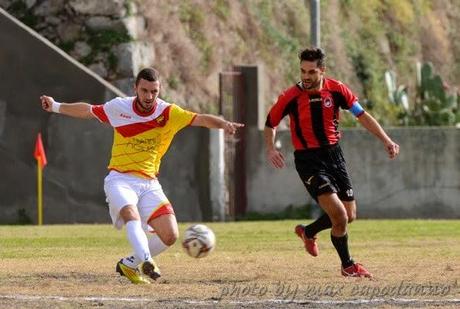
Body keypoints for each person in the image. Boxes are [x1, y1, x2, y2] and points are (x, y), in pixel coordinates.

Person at [40, 67, 244, 284]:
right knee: (131, 214)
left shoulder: (168, 113)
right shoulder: (119, 107)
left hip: (149, 183)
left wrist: (222, 124)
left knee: (170, 236)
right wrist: (55, 106)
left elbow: (200, 119)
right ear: (135, 88)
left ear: (159, 90)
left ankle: (128, 264)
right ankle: (147, 260)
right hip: (120, 179)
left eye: (154, 91)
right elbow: (88, 110)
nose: (149, 96)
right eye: (144, 90)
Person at [264, 47, 399, 278]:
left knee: (349, 215)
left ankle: (308, 232)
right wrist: (270, 149)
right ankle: (348, 265)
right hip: (309, 161)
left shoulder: (337, 90)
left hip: (334, 156)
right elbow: (270, 123)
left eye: (311, 71)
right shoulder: (291, 96)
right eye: (302, 71)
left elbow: (362, 115)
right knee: (339, 216)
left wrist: (386, 140)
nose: (305, 76)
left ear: (322, 70)